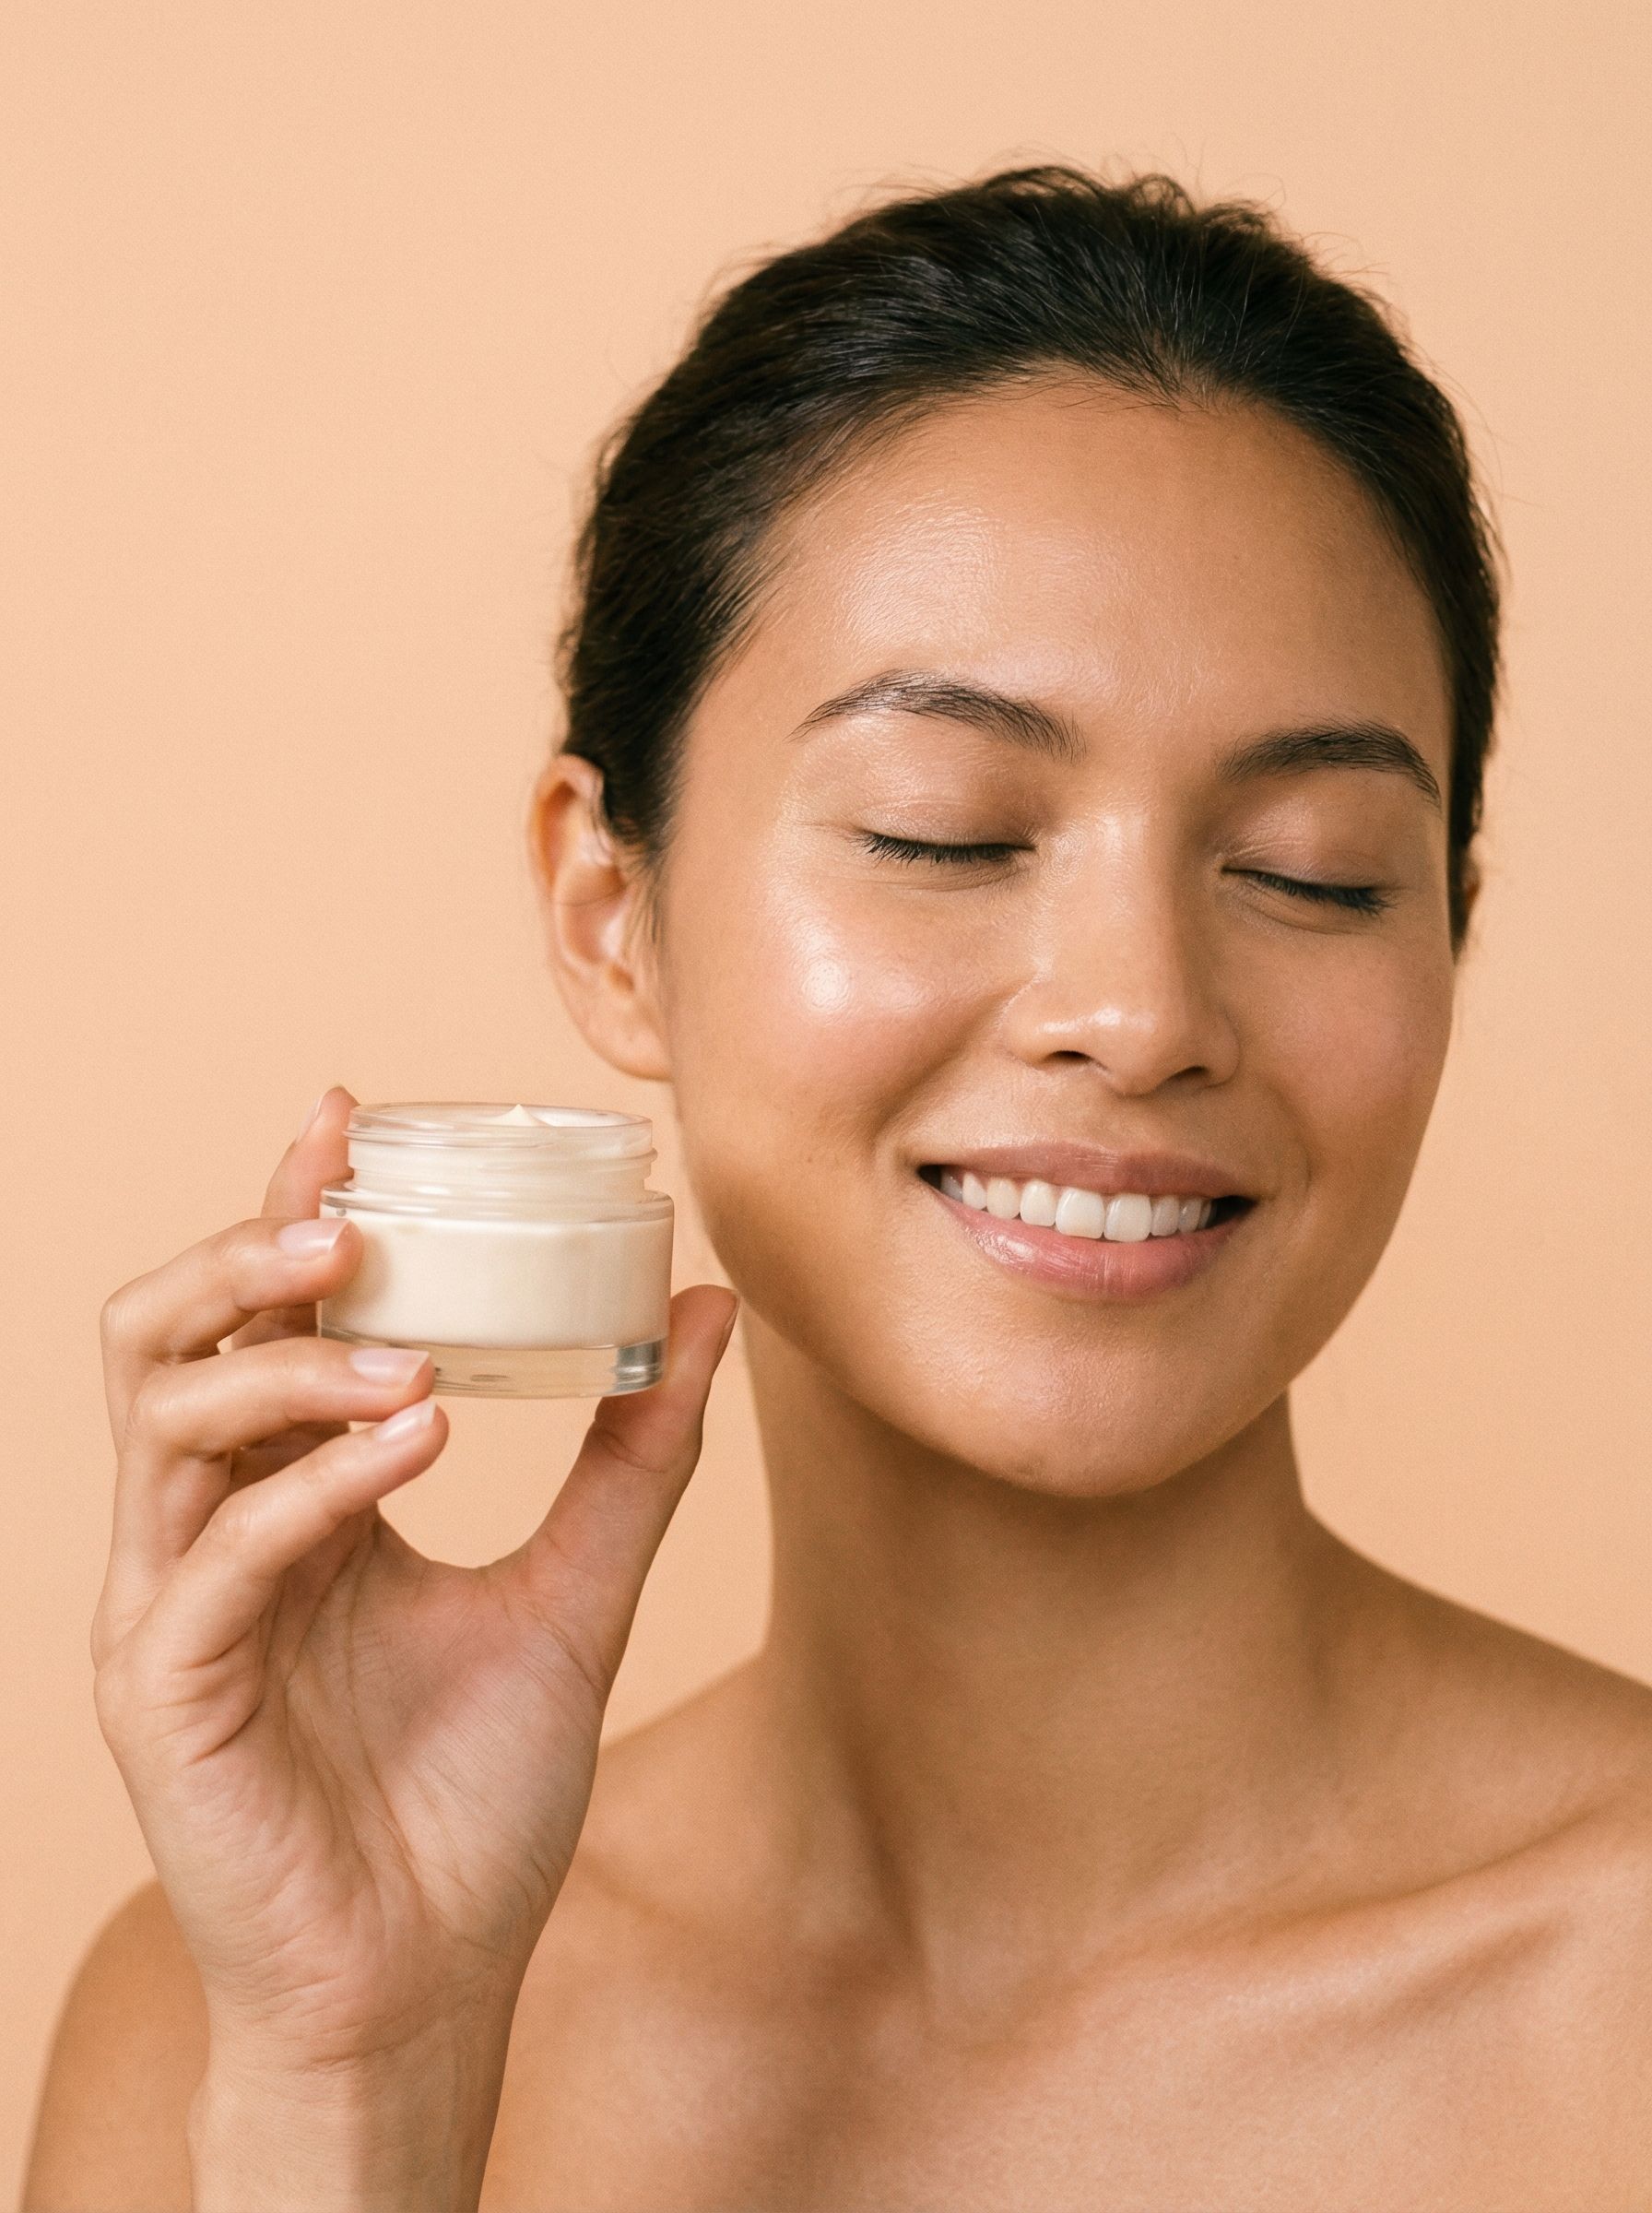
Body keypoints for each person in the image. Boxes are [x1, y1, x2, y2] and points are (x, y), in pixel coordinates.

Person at [24, 167, 1652, 2211]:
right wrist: (363, 2083)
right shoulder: (224, 2028)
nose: (1138, 1012)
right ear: (610, 912)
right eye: (946, 832)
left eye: (1313, 869)